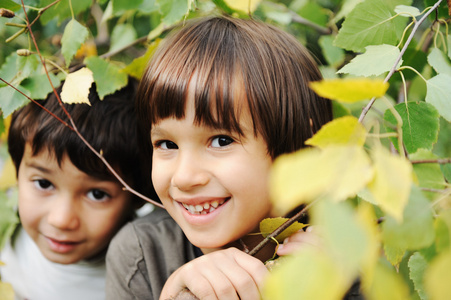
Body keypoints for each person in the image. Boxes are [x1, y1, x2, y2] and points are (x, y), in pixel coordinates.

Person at [105, 16, 333, 300]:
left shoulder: (340, 255)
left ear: (300, 147)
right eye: (167, 144)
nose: (184, 177)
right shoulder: (144, 252)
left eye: (221, 141)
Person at [0, 78, 154, 300]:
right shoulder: (6, 227)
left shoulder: (145, 277)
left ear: (138, 196)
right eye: (43, 184)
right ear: (16, 171)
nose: (61, 219)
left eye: (97, 194)